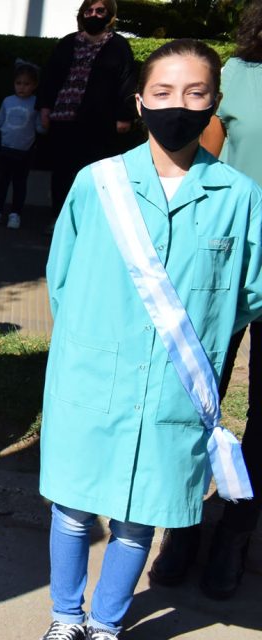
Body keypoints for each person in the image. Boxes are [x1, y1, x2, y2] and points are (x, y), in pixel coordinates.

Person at [38, 39, 262, 640]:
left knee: (142, 515)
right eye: (162, 92)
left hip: (176, 387)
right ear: (139, 101)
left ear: (214, 104)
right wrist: (96, 332)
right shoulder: (97, 182)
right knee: (73, 507)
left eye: (195, 93)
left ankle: (106, 624)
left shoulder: (240, 198)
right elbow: (62, 277)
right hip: (92, 373)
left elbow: (249, 292)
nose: (177, 105)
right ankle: (66, 617)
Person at [148, 0, 262, 601]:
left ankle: (236, 535)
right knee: (196, 395)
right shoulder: (235, 76)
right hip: (223, 262)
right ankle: (182, 525)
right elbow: (198, 162)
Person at [38, 0, 136, 234]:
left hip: (98, 122)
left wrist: (125, 115)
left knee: (95, 173)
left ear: (109, 15)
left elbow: (127, 82)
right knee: (62, 172)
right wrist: (44, 108)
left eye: (100, 11)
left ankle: (90, 223)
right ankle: (59, 218)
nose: (94, 15)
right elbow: (50, 77)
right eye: (89, 10)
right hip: (63, 119)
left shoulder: (118, 46)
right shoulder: (67, 43)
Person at [0, 61, 44, 230]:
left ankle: (15, 213)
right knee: (1, 182)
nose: (22, 87)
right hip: (4, 149)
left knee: (19, 183)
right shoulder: (7, 101)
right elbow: (0, 121)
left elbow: (39, 127)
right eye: (18, 83)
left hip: (25, 152)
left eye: (26, 84)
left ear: (34, 85)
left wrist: (47, 122)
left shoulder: (36, 103)